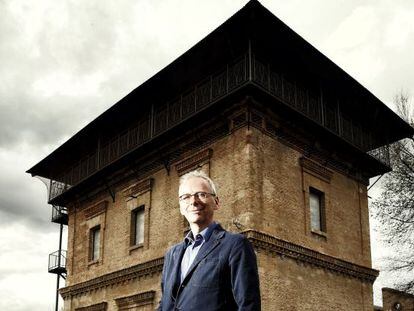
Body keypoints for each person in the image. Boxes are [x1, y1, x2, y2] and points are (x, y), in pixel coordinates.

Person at [158, 170, 261, 311]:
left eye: (201, 194)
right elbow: (165, 305)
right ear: (181, 207)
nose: (193, 202)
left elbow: (248, 306)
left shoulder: (235, 245)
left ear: (216, 202)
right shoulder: (172, 254)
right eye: (185, 197)